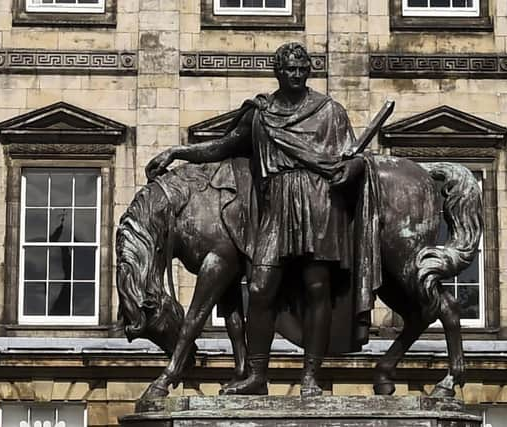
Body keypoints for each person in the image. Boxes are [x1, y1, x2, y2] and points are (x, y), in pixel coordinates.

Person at [146, 42, 365, 397]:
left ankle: (310, 377)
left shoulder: (330, 112)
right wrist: (176, 152)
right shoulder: (260, 113)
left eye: (302, 68)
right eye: (290, 69)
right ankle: (257, 375)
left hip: (318, 202)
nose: (297, 74)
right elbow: (222, 146)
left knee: (316, 287)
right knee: (261, 288)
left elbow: (353, 156)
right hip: (276, 203)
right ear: (278, 71)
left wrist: (352, 169)